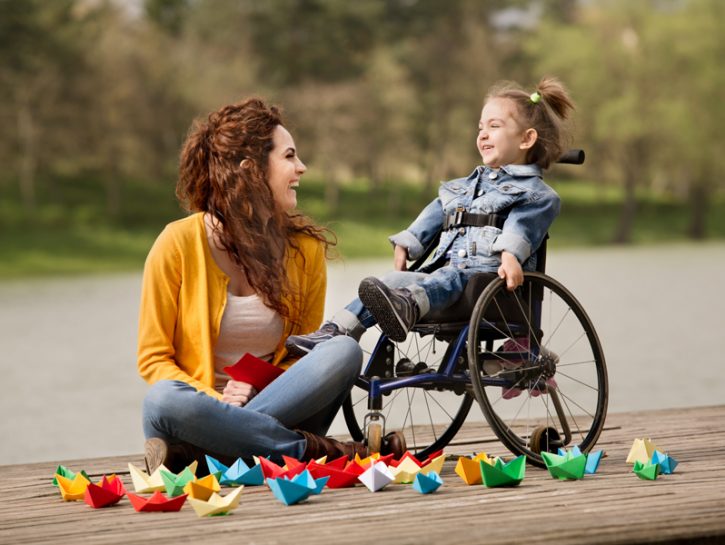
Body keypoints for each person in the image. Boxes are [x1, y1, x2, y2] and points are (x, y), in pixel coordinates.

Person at [138, 98, 405, 474]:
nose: (302, 168)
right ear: (250, 170)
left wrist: (253, 392)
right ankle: (318, 452)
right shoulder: (178, 243)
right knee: (163, 399)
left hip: (273, 407)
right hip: (196, 417)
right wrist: (217, 402)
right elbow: (153, 359)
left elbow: (301, 352)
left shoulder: (305, 251)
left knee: (342, 350)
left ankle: (207, 457)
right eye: (290, 156)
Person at [286, 76, 574, 354]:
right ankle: (337, 330)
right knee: (390, 281)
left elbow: (522, 225)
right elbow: (436, 213)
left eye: (494, 126)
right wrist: (408, 243)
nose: (483, 134)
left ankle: (407, 306)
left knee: (445, 278)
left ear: (526, 139)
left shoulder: (534, 193)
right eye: (480, 128)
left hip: (485, 281)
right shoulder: (463, 187)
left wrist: (510, 255)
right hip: (445, 273)